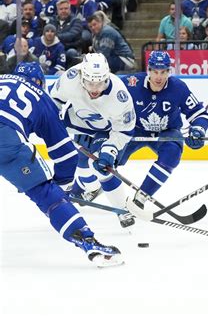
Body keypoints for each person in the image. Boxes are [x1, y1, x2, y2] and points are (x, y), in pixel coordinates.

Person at [0, 62, 123, 267]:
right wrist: (61, 187)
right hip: (6, 141)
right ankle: (88, 241)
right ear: (40, 82)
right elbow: (65, 154)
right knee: (46, 194)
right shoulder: (40, 96)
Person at [117, 51, 208, 221]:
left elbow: (200, 114)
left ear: (169, 71)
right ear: (148, 70)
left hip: (167, 131)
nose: (159, 77)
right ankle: (86, 188)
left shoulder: (178, 87)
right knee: (111, 158)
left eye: (163, 71)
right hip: (135, 129)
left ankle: (141, 198)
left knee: (172, 153)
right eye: (155, 71)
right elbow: (107, 92)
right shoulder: (130, 83)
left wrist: (198, 130)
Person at [48, 53, 136, 228]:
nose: (95, 88)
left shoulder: (119, 95)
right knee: (78, 167)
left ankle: (122, 209)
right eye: (90, 83)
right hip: (75, 123)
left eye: (100, 83)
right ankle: (86, 187)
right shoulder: (71, 78)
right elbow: (54, 100)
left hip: (103, 131)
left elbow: (126, 129)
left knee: (103, 169)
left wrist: (110, 149)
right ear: (82, 77)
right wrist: (52, 124)